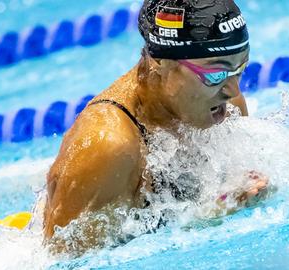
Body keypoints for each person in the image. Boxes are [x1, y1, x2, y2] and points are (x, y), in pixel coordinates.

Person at [43, 0, 270, 254]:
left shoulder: (223, 107)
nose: (233, 91)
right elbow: (65, 261)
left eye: (240, 69)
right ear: (160, 61)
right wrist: (205, 219)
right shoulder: (108, 146)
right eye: (216, 74)